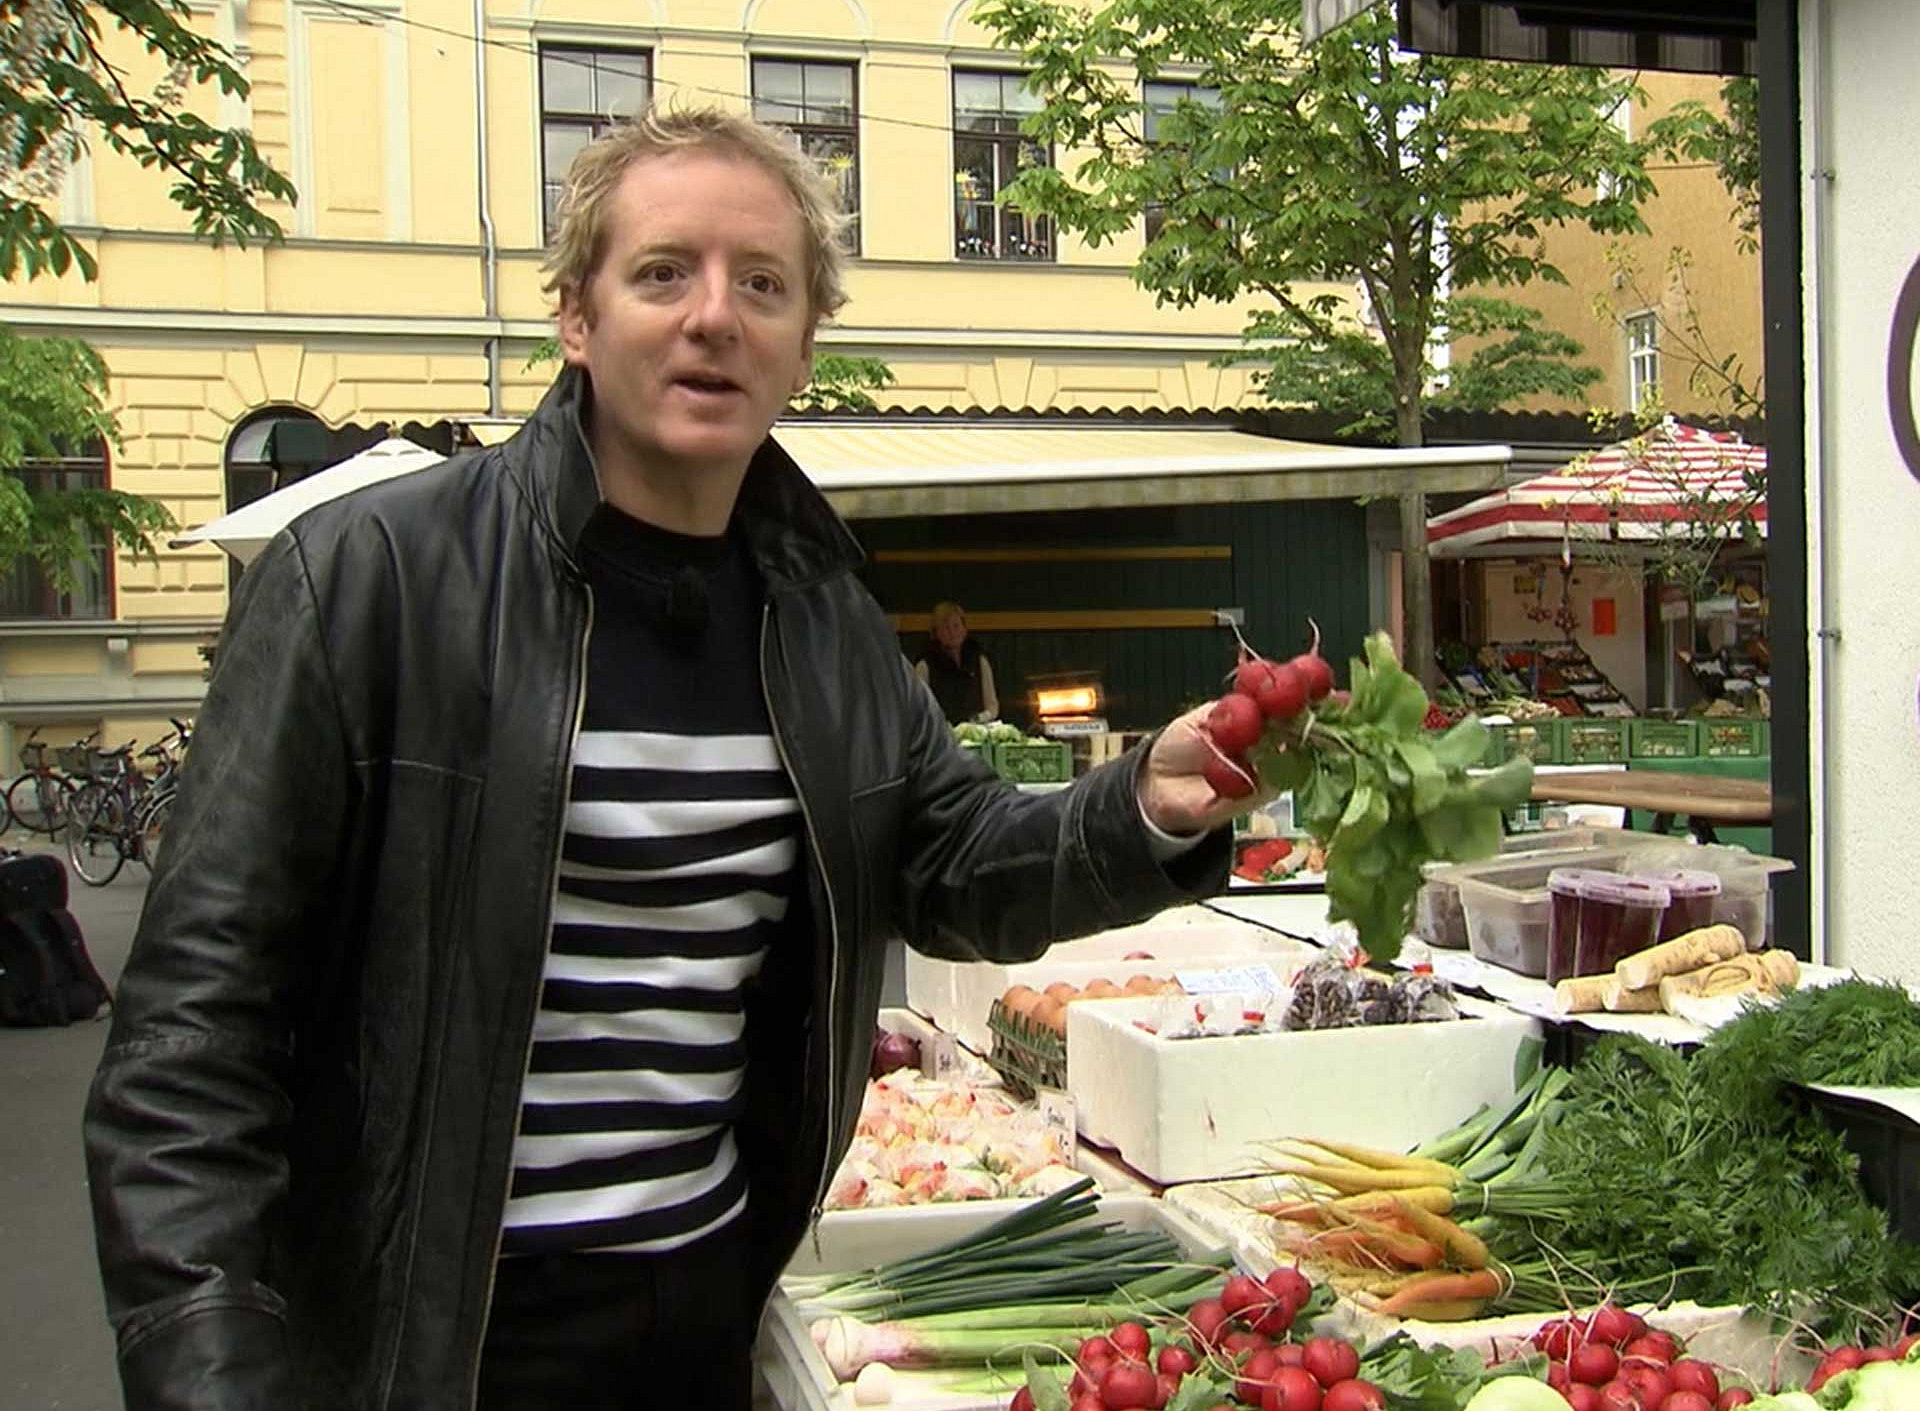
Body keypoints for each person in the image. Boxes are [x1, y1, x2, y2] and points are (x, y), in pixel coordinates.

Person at [82, 106, 1254, 1411]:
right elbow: (190, 1051)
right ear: (577, 320)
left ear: (806, 340)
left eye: (763, 282)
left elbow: (955, 858)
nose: (715, 315)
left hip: (704, 1309)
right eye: (662, 272)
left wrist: (1143, 802)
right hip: (429, 1336)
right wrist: (215, 1372)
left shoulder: (824, 623)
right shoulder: (371, 578)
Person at [914, 600, 998, 723]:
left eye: (956, 626)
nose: (952, 632)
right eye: (946, 628)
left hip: (976, 732)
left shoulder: (980, 661)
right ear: (936, 633)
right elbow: (919, 709)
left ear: (964, 629)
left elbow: (992, 706)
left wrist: (976, 720)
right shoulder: (924, 666)